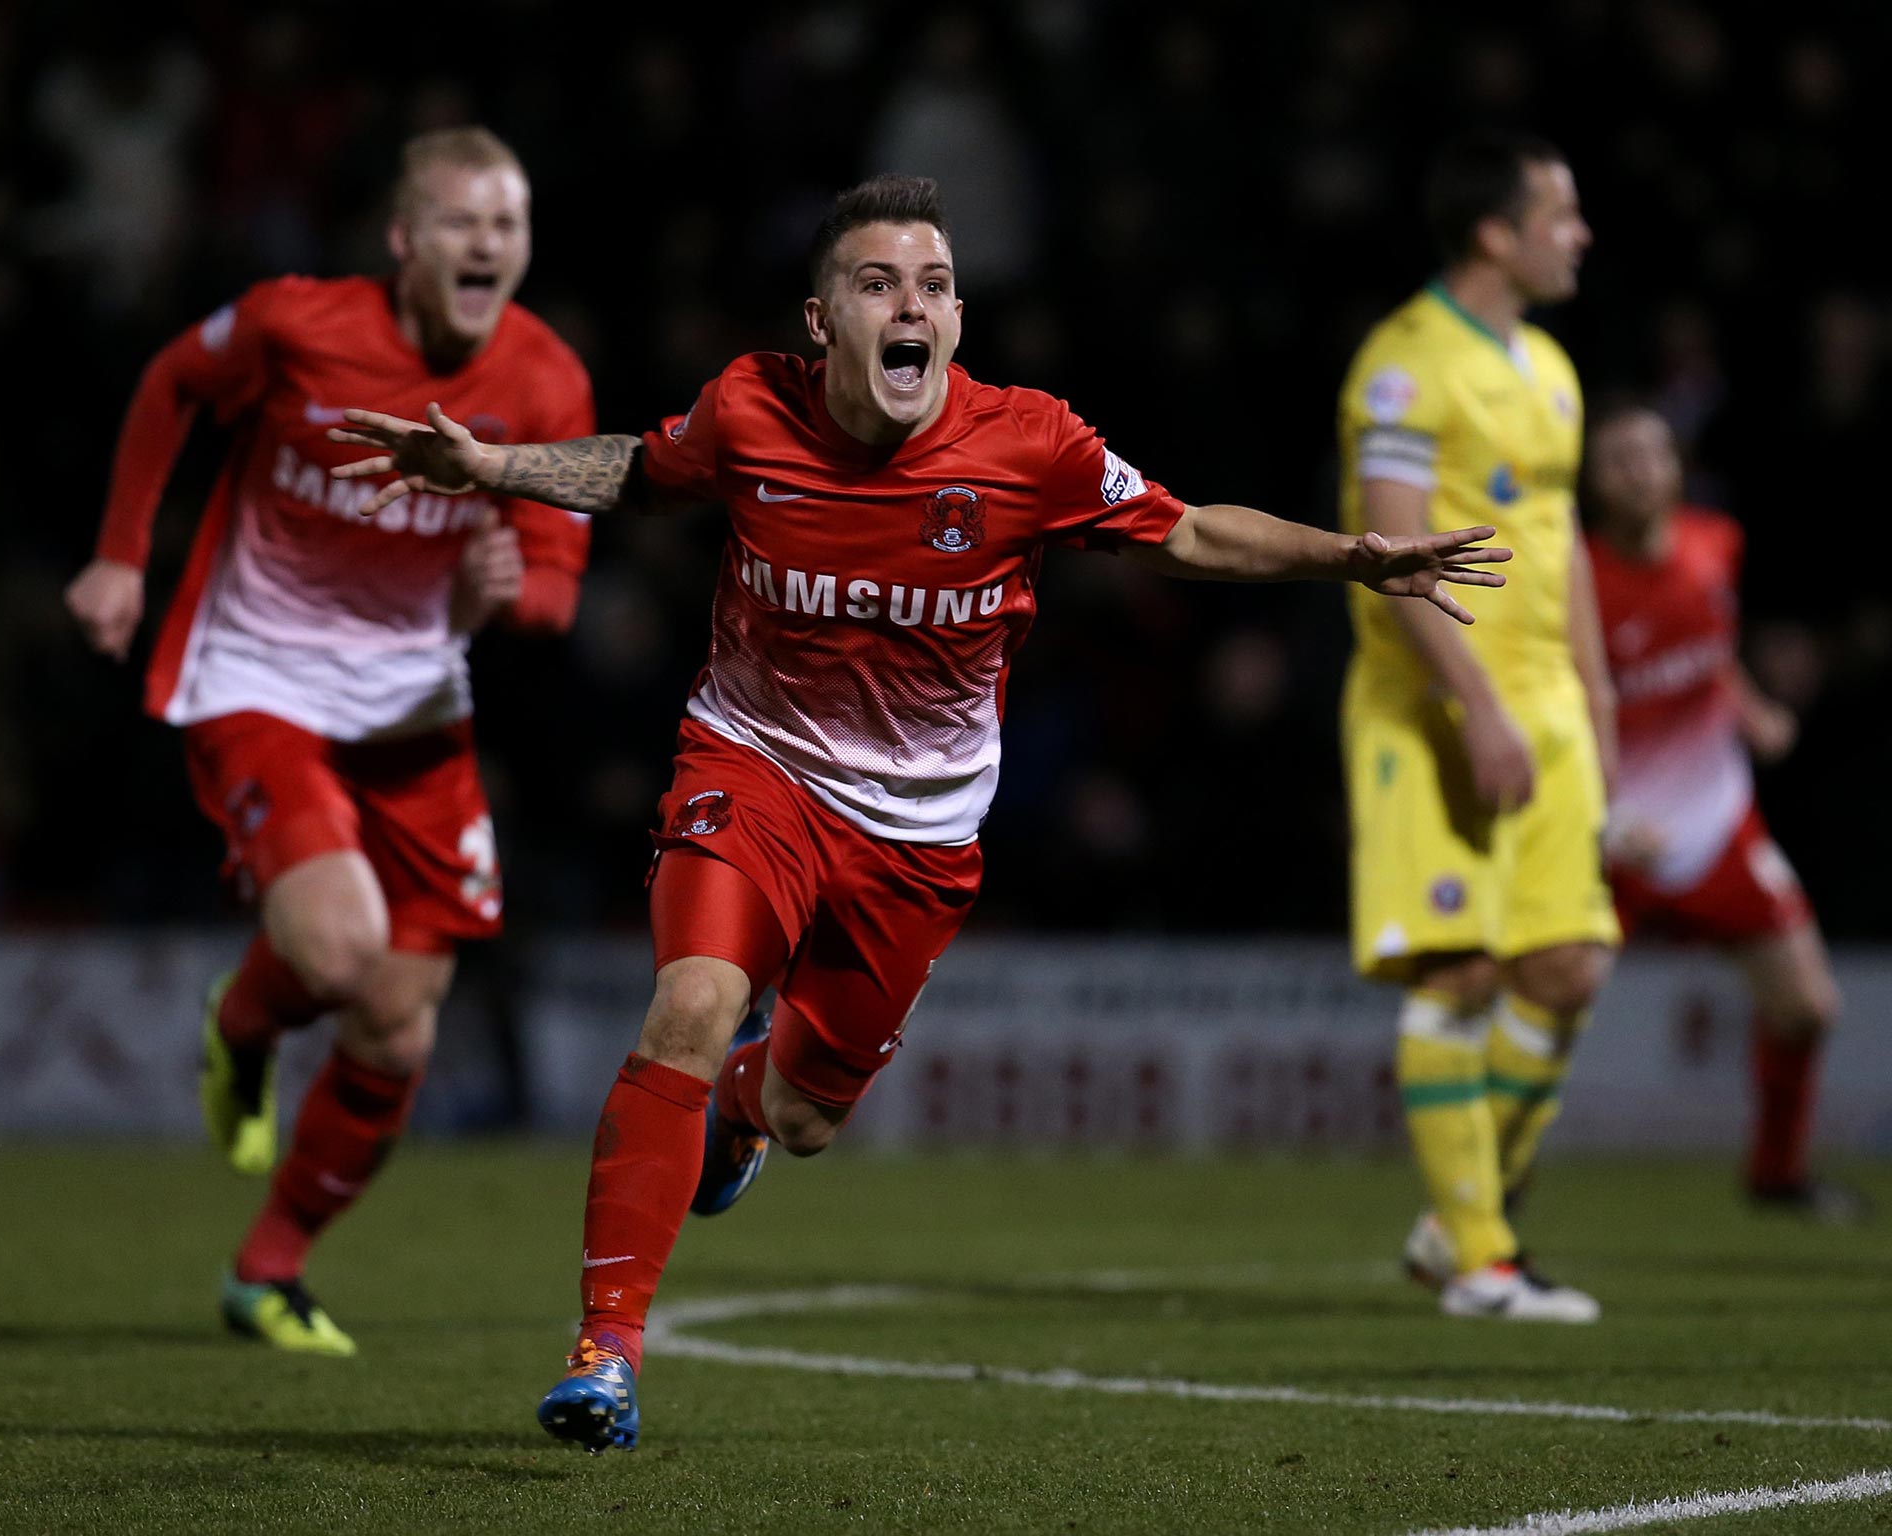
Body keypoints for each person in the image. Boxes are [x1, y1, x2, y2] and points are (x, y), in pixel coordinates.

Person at [333, 173, 1508, 1451]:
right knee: (686, 1002)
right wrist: (492, 465)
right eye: (880, 282)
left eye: (936, 286)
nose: (914, 304)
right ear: (821, 318)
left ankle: (737, 1113)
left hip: (918, 832)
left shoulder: (1028, 445)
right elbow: (647, 471)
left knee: (803, 1118)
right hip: (756, 766)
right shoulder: (750, 408)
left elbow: (1183, 534)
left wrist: (1355, 558)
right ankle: (605, 1354)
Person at [63, 127, 594, 1355]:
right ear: (404, 242)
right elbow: (170, 385)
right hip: (259, 679)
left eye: (504, 225)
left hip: (413, 704)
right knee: (345, 947)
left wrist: (498, 594)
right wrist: (120, 554)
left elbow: (556, 588)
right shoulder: (298, 324)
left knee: (400, 1022)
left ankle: (267, 1270)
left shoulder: (546, 382)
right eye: (460, 222)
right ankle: (244, 1022)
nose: (485, 245)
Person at [1337, 130, 1618, 1323]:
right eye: (1559, 212)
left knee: (1566, 966)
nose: (1579, 232)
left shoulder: (1551, 368)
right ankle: (1486, 1259)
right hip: (1435, 707)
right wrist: (1476, 705)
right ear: (1494, 233)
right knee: (1458, 972)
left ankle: (1457, 1218)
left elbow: (1563, 549)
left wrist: (1597, 700)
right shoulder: (1403, 367)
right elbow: (1392, 551)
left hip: (1547, 707)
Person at [1585, 404, 1861, 1223]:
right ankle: (1491, 1198)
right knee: (1546, 1010)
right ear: (1592, 481)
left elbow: (1711, 653)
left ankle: (1776, 1176)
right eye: (1619, 459)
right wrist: (1600, 813)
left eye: (1652, 454)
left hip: (1715, 827)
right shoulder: (1578, 579)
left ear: (1677, 466)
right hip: (1612, 838)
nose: (1639, 470)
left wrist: (1749, 711)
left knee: (1808, 1008)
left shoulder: (1717, 545)